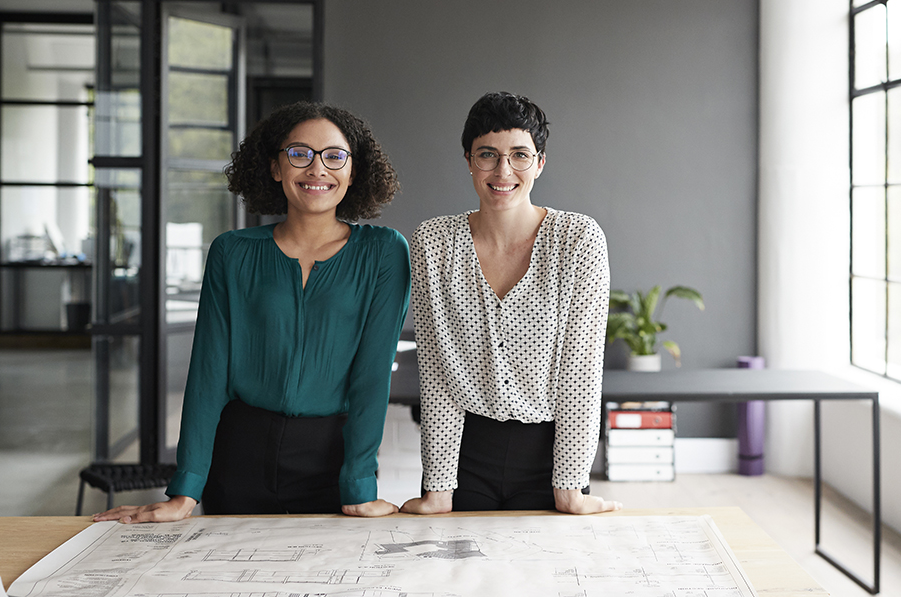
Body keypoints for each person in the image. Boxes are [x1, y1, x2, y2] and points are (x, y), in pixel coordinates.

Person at [93, 102, 410, 523]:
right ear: (276, 168)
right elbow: (209, 373)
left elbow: (372, 376)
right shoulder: (233, 252)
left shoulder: (384, 252)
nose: (317, 169)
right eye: (299, 154)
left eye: (334, 156)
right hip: (239, 457)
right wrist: (185, 490)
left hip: (330, 459)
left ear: (354, 170)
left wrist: (358, 485)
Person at [400, 92, 621, 515]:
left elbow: (581, 370)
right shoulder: (434, 242)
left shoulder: (578, 239)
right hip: (466, 455)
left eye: (520, 155)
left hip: (549, 454)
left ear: (539, 163)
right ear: (468, 160)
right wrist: (439, 486)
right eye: (488, 155)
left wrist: (571, 483)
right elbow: (436, 367)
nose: (503, 171)